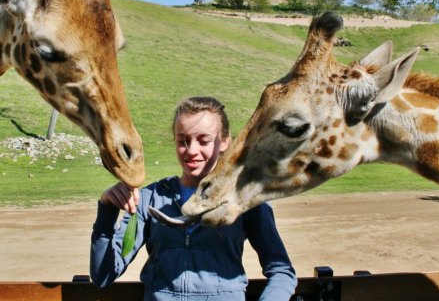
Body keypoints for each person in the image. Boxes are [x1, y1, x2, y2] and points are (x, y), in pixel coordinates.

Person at [90, 96, 297, 300]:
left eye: (203, 140)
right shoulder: (149, 199)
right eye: (183, 141)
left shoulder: (242, 199)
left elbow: (282, 272)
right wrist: (107, 210)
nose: (191, 150)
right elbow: (102, 275)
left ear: (225, 141)